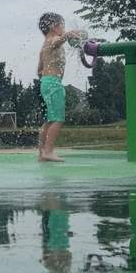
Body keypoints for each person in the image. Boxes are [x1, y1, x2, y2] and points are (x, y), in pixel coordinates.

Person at [36, 12, 84, 162]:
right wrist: (68, 35)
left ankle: (42, 153)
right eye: (63, 25)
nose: (64, 28)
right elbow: (57, 42)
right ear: (53, 27)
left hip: (45, 82)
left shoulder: (43, 47)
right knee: (58, 119)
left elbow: (39, 70)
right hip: (53, 84)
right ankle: (49, 151)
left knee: (49, 120)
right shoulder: (53, 39)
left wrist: (46, 80)